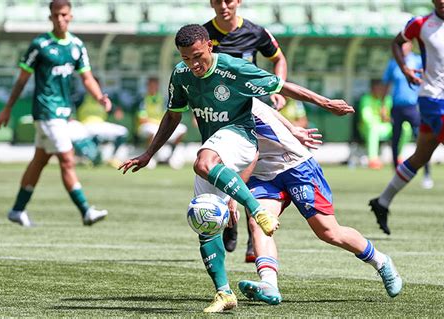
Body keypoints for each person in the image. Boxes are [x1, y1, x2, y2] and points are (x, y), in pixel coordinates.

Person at [119, 24, 354, 313]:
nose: (192, 64)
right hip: (217, 146)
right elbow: (172, 116)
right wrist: (149, 153)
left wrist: (324, 102)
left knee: (202, 162)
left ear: (209, 46)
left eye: (197, 57)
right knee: (204, 220)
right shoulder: (181, 75)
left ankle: (255, 209)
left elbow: (280, 86)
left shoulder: (233, 69)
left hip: (241, 137)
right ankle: (224, 293)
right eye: (185, 58)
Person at [235, 101, 402, 305]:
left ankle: (381, 261)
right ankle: (269, 284)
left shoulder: (236, 89)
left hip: (295, 165)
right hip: (263, 174)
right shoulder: (207, 99)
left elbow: (257, 132)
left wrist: (232, 195)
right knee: (258, 221)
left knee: (328, 231)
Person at [0, 0, 109, 227]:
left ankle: (17, 210)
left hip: (63, 113)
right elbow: (21, 80)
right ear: (50, 17)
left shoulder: (77, 45)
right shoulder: (40, 45)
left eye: (64, 14)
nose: (60, 19)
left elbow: (87, 77)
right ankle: (86, 211)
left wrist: (100, 96)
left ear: (71, 16)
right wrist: (8, 107)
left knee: (39, 160)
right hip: (46, 111)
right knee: (67, 159)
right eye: (56, 15)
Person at [369, 0, 444, 237]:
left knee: (421, 156)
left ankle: (382, 202)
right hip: (433, 99)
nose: (441, 1)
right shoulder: (421, 23)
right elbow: (397, 42)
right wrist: (404, 69)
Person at [205, 0, 289, 262]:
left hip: (250, 111)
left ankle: (255, 238)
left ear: (238, 1)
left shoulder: (255, 32)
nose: (223, 5)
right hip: (218, 113)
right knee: (221, 170)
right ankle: (230, 222)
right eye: (217, 0)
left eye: (228, 0)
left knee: (254, 172)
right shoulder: (204, 35)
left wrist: (278, 93)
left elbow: (278, 59)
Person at [382, 41, 433, 189]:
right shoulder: (393, 63)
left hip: (414, 107)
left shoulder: (417, 60)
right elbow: (386, 85)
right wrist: (384, 106)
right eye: (401, 45)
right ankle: (395, 174)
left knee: (422, 140)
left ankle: (427, 174)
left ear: (410, 45)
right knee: (395, 141)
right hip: (397, 107)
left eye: (405, 45)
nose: (403, 48)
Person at [358, 79, 412, 170]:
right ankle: (373, 159)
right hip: (368, 128)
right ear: (372, 89)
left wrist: (387, 118)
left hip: (386, 127)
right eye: (378, 88)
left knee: (406, 127)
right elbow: (366, 118)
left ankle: (398, 156)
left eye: (382, 88)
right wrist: (380, 116)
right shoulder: (366, 99)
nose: (380, 90)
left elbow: (393, 117)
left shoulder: (388, 99)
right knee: (373, 128)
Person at [136, 76, 187, 169]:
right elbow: (142, 119)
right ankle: (150, 157)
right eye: (151, 85)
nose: (153, 87)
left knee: (182, 129)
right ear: (147, 86)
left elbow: (169, 116)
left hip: (161, 125)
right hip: (146, 126)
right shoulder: (142, 99)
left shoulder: (163, 99)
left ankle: (172, 156)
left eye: (155, 85)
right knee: (152, 131)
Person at [76, 77, 128, 167]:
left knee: (123, 132)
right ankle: (90, 158)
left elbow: (113, 108)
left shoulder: (103, 98)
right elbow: (71, 107)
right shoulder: (81, 97)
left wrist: (116, 111)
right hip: (85, 125)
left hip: (100, 124)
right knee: (93, 135)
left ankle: (112, 158)